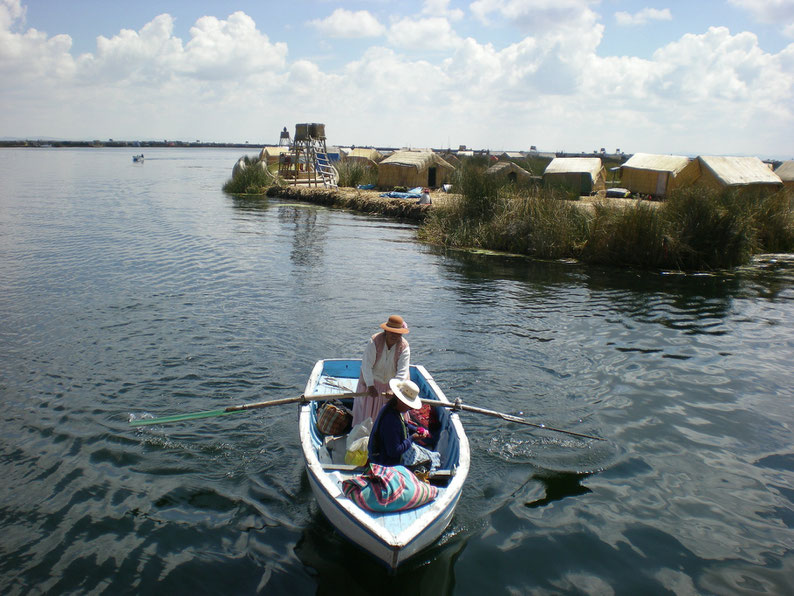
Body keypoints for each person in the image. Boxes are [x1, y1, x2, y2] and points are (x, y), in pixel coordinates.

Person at [352, 315, 410, 427]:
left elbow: (402, 371)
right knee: (367, 418)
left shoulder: (404, 347)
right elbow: (366, 365)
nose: (394, 335)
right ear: (386, 331)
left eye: (398, 333)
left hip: (392, 387)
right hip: (373, 384)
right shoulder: (375, 341)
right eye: (391, 332)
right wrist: (370, 385)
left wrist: (393, 388)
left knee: (388, 422)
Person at [368, 379, 428, 466]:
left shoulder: (389, 407)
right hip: (384, 462)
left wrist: (415, 429)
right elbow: (394, 452)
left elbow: (403, 424)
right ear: (401, 401)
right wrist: (412, 438)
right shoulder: (391, 421)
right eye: (409, 406)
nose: (410, 408)